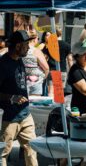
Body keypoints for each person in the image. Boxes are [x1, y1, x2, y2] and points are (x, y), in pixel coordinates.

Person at [0, 30, 38, 166]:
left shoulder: (20, 60)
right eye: (26, 44)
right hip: (8, 118)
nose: (29, 47)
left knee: (32, 150)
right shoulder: (2, 64)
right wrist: (12, 97)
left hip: (25, 114)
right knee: (2, 153)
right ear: (17, 46)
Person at [42, 29, 73, 96]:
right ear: (61, 34)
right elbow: (70, 59)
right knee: (58, 94)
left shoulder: (49, 45)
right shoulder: (67, 45)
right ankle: (58, 106)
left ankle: (51, 106)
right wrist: (72, 71)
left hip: (51, 70)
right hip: (61, 70)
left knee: (50, 92)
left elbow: (44, 58)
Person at [23, 31, 49, 96]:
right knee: (34, 103)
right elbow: (46, 68)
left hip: (22, 80)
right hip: (35, 82)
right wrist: (42, 78)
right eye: (38, 39)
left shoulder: (21, 50)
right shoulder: (36, 51)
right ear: (35, 39)